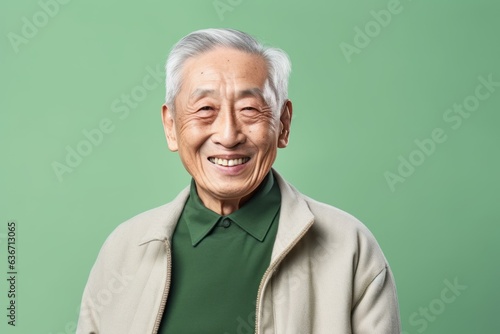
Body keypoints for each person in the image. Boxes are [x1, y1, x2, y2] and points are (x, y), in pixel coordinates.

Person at [76, 28, 401, 334]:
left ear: (283, 124)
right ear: (171, 126)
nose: (229, 135)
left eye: (250, 109)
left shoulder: (349, 247)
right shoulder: (124, 250)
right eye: (205, 109)